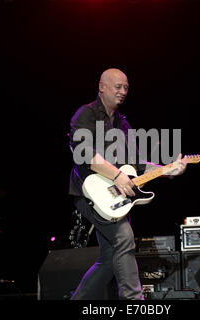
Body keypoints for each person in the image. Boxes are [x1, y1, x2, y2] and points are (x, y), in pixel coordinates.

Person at [68, 68, 187, 300]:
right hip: (88, 193)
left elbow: (137, 166)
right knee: (124, 239)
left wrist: (168, 170)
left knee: (109, 257)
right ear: (102, 87)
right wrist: (116, 175)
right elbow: (83, 153)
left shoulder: (123, 124)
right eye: (117, 86)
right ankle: (135, 301)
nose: (123, 91)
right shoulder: (86, 114)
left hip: (114, 196)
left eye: (126, 88)